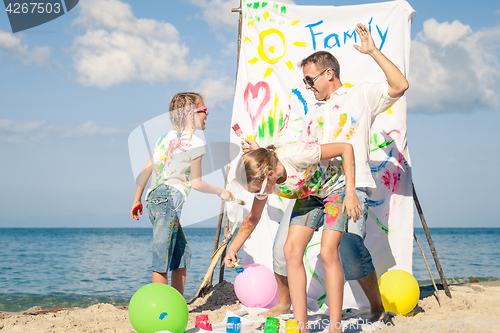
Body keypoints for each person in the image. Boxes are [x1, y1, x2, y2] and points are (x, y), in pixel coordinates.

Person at [242, 23, 409, 323]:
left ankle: (375, 306)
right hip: (313, 189)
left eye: (310, 79)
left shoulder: (361, 96)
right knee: (286, 250)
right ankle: (292, 314)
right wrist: (260, 150)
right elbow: (293, 152)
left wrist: (372, 51)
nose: (307, 86)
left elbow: (400, 85)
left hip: (349, 186)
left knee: (349, 251)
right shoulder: (314, 110)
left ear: (328, 74)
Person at [224, 140, 362, 333]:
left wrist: (350, 192)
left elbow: (346, 148)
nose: (259, 195)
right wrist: (233, 248)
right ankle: (301, 327)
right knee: (290, 250)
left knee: (328, 251)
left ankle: (335, 327)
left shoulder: (296, 155)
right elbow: (253, 217)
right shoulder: (266, 179)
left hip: (336, 188)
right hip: (310, 195)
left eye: (258, 190)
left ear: (270, 175)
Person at [130, 92, 235, 295]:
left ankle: (176, 302)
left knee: (181, 253)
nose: (207, 113)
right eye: (204, 109)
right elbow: (196, 183)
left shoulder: (163, 138)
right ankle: (161, 306)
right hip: (169, 199)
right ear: (190, 114)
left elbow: (146, 169)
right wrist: (221, 191)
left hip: (154, 200)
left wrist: (136, 199)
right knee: (162, 255)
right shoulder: (196, 143)